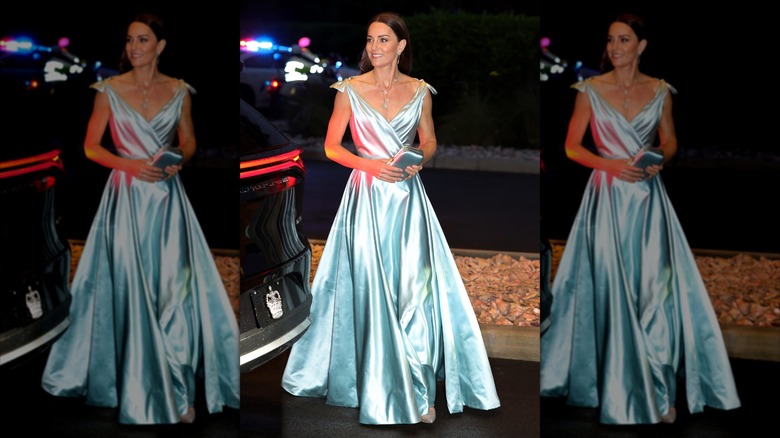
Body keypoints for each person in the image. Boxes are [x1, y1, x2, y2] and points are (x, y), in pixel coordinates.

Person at [280, 11, 501, 425]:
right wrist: (369, 165)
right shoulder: (348, 90)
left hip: (408, 202)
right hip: (366, 200)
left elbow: (429, 139)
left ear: (401, 46)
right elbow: (331, 147)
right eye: (370, 40)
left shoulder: (420, 91)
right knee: (371, 293)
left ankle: (417, 389)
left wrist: (420, 160)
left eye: (383, 40)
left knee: (414, 296)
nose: (374, 47)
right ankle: (382, 384)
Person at [539, 13, 741, 425]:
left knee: (656, 296)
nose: (615, 47)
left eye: (625, 40)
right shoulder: (589, 90)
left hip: (649, 204)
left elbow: (670, 141)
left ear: (641, 46)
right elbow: (572, 147)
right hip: (607, 201)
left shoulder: (661, 91)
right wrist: (611, 165)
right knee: (612, 293)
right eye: (611, 39)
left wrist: (659, 159)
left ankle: (660, 391)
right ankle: (616, 386)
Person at [40, 13, 240, 425]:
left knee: (174, 295)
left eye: (143, 39)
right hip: (125, 200)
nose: (134, 47)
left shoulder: (180, 90)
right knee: (130, 292)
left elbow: (189, 141)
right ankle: (135, 384)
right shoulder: (108, 91)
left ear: (160, 46)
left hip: (168, 203)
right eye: (130, 39)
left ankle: (180, 391)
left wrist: (177, 160)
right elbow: (92, 147)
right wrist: (129, 165)